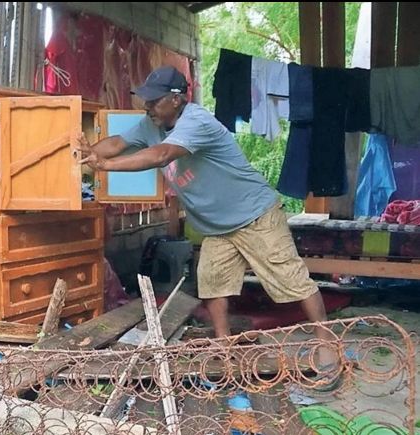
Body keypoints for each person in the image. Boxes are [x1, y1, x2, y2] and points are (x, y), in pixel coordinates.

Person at [79, 66, 339, 374]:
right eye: (146, 100)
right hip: (217, 226)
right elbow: (118, 143)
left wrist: (106, 166)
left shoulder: (196, 121)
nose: (147, 106)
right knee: (213, 283)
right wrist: (89, 154)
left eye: (154, 100)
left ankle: (326, 339)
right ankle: (222, 343)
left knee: (291, 280)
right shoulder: (151, 123)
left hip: (254, 215)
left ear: (176, 100)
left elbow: (161, 156)